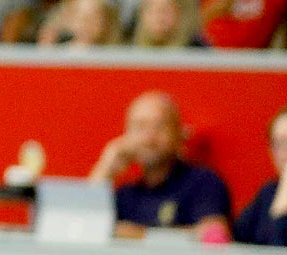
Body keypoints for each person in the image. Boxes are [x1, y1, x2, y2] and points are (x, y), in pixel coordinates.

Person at [90, 91, 231, 239]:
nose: (149, 137)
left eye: (160, 126)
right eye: (140, 127)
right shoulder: (125, 195)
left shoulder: (203, 182)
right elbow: (85, 227)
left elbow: (214, 234)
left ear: (179, 134)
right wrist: (105, 169)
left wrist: (139, 235)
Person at [233, 108, 287, 246]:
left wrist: (281, 211)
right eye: (278, 143)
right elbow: (237, 239)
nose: (284, 152)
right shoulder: (268, 192)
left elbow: (278, 253)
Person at [129, 0, 203, 49]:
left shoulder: (201, 54)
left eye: (166, 9)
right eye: (151, 7)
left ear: (182, 14)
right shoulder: (128, 51)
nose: (158, 15)